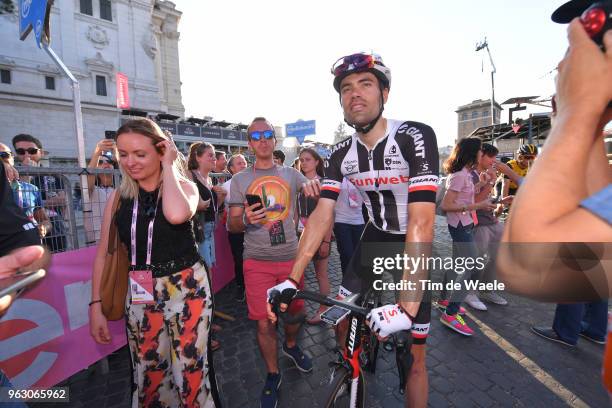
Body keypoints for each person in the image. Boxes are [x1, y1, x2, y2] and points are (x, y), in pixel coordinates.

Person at [266, 53, 439, 407]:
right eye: (346, 88)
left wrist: (405, 307)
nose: (354, 94)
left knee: (416, 359)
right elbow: (321, 216)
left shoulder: (413, 136)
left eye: (365, 84)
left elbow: (422, 221)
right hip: (373, 239)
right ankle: (349, 365)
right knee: (341, 313)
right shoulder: (341, 153)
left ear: (385, 93)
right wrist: (292, 278)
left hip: (413, 243)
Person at [88, 118, 219, 407]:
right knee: (149, 375)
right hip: (139, 293)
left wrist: (170, 166)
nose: (130, 162)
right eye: (123, 154)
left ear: (161, 151)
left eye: (140, 154)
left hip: (187, 289)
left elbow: (174, 215)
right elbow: (103, 255)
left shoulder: (185, 186)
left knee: (190, 374)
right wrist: (95, 305)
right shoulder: (118, 198)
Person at [227, 117, 312, 408]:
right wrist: (244, 219)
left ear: (274, 141)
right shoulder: (239, 180)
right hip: (257, 261)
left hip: (291, 259)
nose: (263, 140)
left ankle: (290, 345)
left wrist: (317, 185)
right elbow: (232, 225)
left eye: (268, 134)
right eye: (256, 136)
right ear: (249, 144)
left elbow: (314, 188)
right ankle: (273, 374)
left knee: (295, 313)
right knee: (263, 323)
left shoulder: (290, 174)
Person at [438, 138, 496, 334]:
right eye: (480, 151)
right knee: (471, 267)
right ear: (472, 153)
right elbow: (446, 206)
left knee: (457, 265)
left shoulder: (467, 174)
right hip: (460, 226)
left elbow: (465, 196)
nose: (482, 154)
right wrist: (477, 206)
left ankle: (444, 300)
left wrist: (481, 184)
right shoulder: (459, 176)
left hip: (466, 224)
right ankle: (450, 313)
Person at [469, 143, 515, 308]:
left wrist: (501, 201)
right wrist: (490, 182)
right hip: (478, 223)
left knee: (499, 255)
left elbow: (486, 200)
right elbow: (471, 202)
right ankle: (470, 292)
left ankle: (486, 289)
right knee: (477, 259)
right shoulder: (471, 175)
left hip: (491, 220)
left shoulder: (486, 173)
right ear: (480, 156)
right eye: (491, 157)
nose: (494, 161)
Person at [12, 133, 67, 252]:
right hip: (25, 234)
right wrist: (27, 175)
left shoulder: (53, 174)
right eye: (21, 151)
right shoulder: (12, 175)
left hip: (56, 230)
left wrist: (37, 203)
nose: (27, 155)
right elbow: (19, 201)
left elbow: (62, 200)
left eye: (32, 150)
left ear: (40, 152)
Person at [296, 148, 332, 324]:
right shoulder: (298, 182)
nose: (303, 163)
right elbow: (296, 211)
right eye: (301, 160)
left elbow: (330, 214)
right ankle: (298, 308)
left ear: (317, 162)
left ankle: (323, 310)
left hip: (318, 234)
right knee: (297, 274)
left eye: (308, 159)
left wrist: (326, 240)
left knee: (321, 275)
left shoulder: (324, 183)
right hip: (298, 234)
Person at [0, 143, 50, 239]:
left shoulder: (31, 189)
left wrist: (44, 227)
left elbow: (45, 221)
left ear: (12, 158)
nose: (2, 161)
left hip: (28, 245)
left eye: (4, 155)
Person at [188, 142, 221, 269]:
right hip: (198, 230)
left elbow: (212, 207)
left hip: (210, 229)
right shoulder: (190, 175)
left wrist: (221, 197)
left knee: (209, 267)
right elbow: (184, 202)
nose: (214, 159)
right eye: (210, 155)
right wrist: (197, 205)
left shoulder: (209, 179)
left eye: (214, 156)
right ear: (198, 157)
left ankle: (210, 290)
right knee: (204, 268)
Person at [221, 154, 248, 301]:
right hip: (236, 231)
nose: (243, 165)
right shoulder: (225, 187)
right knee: (239, 260)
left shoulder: (254, 182)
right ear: (231, 168)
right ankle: (241, 287)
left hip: (254, 230)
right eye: (239, 163)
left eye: (244, 163)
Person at [83, 139, 118, 244]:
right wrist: (97, 153)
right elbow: (89, 174)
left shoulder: (121, 187)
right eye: (101, 162)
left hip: (120, 233)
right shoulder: (92, 189)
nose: (106, 164)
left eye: (110, 162)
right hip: (98, 237)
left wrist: (117, 154)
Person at [333, 177, 366, 275]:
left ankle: (357, 282)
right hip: (341, 221)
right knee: (347, 255)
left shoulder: (361, 178)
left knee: (358, 257)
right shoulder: (338, 178)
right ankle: (347, 285)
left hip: (359, 221)